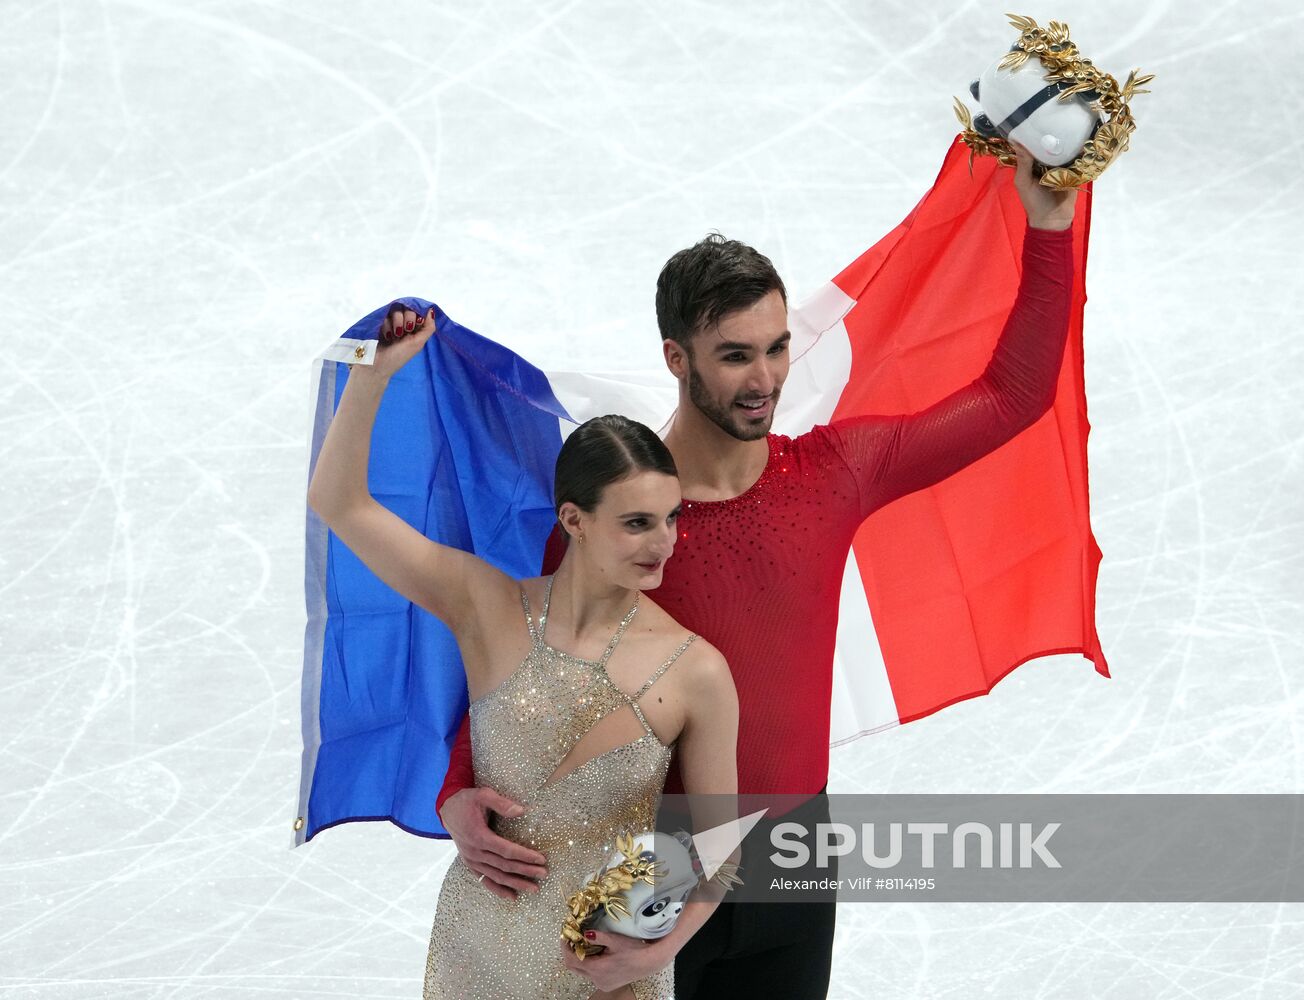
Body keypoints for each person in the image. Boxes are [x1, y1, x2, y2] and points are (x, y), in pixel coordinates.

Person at [434, 142, 1080, 998]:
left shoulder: (835, 474)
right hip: (651, 861)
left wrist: (1049, 225)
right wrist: (457, 788)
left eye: (777, 349)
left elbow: (1014, 395)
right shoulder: (624, 517)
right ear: (677, 358)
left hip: (794, 855)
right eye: (736, 354)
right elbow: (525, 666)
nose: (765, 378)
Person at [305, 312, 740, 1000]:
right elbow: (340, 503)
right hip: (477, 952)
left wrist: (654, 953)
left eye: (670, 518)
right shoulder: (488, 607)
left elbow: (719, 848)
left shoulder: (696, 671)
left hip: (608, 970)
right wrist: (372, 375)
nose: (664, 542)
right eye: (637, 523)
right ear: (573, 520)